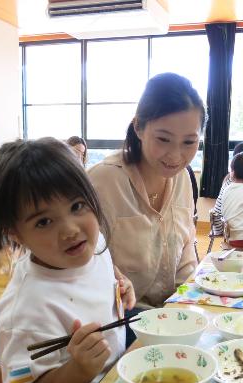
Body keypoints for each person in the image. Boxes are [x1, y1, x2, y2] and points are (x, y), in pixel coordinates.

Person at [0, 137, 135, 383]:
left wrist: (120, 283)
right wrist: (78, 369)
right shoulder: (24, 310)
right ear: (14, 233)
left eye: (77, 206)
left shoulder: (93, 247)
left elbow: (103, 267)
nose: (70, 229)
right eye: (44, 221)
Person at [88, 72, 205, 315]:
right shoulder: (103, 182)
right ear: (139, 127)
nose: (175, 156)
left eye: (189, 142)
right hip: (118, 316)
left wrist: (188, 300)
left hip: (173, 311)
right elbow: (84, 262)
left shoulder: (183, 178)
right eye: (163, 139)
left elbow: (186, 251)